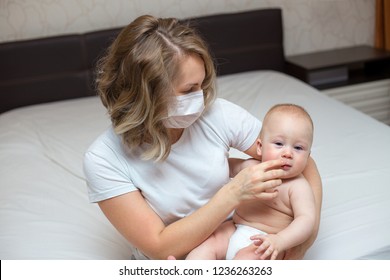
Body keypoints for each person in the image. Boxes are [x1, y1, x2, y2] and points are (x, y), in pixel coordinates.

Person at [83, 15, 322, 260]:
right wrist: (233, 193)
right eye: (188, 90)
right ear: (146, 94)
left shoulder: (218, 114)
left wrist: (301, 241)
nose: (201, 97)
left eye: (202, 83)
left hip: (236, 237)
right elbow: (159, 245)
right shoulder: (104, 159)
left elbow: (299, 160)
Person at [186, 104, 316, 260]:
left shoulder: (298, 187)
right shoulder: (252, 167)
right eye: (279, 144)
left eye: (298, 147)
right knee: (207, 245)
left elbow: (306, 220)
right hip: (234, 229)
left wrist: (280, 240)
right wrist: (201, 164)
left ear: (308, 156)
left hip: (267, 241)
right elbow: (224, 167)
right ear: (260, 147)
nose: (288, 153)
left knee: (246, 261)